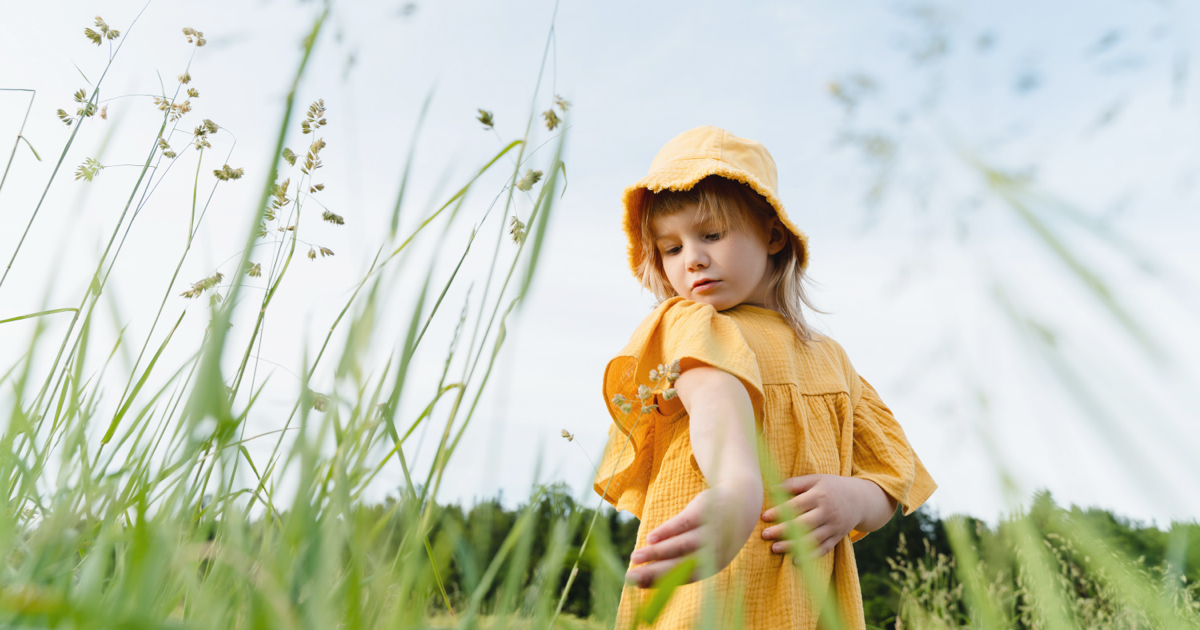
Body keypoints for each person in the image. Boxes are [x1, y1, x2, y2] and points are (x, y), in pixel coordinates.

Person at [594, 125, 937, 629]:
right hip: (711, 594)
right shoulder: (686, 322)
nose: (693, 259)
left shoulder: (832, 359)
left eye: (711, 234)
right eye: (670, 248)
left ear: (772, 234)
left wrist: (853, 500)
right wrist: (734, 487)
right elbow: (715, 397)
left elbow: (891, 474)